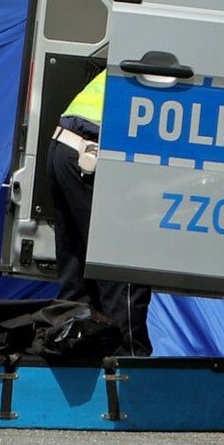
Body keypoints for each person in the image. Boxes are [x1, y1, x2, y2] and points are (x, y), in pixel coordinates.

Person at [46, 69, 152, 355]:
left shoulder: (153, 40)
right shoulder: (189, 47)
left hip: (67, 146)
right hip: (91, 154)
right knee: (123, 271)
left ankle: (75, 369)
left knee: (79, 287)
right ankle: (127, 378)